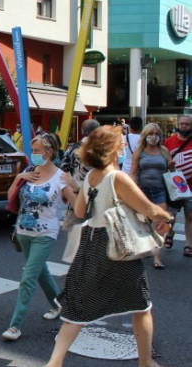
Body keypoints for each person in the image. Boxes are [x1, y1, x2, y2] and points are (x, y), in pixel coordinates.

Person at [43, 125, 172, 367]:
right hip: (117, 247)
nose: (123, 146)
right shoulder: (117, 177)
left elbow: (81, 211)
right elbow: (149, 208)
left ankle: (54, 362)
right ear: (113, 149)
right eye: (120, 143)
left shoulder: (91, 176)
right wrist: (166, 218)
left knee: (78, 307)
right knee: (142, 306)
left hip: (92, 243)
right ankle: (145, 362)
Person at [1, 134, 79, 341]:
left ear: (49, 152)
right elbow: (9, 196)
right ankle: (57, 304)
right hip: (23, 232)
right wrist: (19, 178)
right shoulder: (28, 171)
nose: (33, 154)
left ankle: (14, 326)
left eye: (37, 150)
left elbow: (78, 205)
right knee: (41, 271)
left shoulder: (60, 177)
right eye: (33, 150)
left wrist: (76, 186)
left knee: (28, 277)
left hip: (46, 234)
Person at [131, 123, 172, 269]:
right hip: (143, 191)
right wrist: (131, 191)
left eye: (156, 134)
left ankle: (157, 257)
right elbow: (133, 172)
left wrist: (172, 166)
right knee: (144, 223)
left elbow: (171, 171)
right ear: (145, 135)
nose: (153, 137)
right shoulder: (140, 151)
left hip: (160, 190)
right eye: (151, 133)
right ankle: (146, 247)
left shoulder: (164, 151)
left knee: (161, 222)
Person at [163, 115, 192, 258]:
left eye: (187, 124)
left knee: (190, 216)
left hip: (191, 187)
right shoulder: (169, 141)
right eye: (182, 124)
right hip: (174, 185)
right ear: (178, 125)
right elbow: (163, 160)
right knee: (171, 215)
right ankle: (169, 232)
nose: (184, 127)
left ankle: (188, 244)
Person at [61, 119, 100, 185]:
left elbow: (63, 167)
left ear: (82, 131)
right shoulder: (99, 149)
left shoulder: (72, 148)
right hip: (94, 187)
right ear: (97, 131)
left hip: (74, 186)